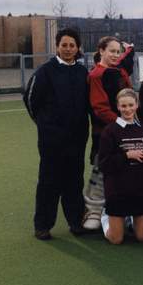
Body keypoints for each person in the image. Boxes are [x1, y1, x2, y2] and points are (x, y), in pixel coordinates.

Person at [23, 28, 90, 240]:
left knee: (74, 181)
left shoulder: (82, 72)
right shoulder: (45, 71)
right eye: (64, 45)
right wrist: (45, 125)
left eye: (72, 45)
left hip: (77, 139)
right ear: (57, 46)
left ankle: (76, 221)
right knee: (49, 182)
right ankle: (43, 225)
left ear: (78, 47)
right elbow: (31, 100)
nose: (68, 49)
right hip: (52, 141)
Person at [83, 36, 134, 230]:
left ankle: (126, 209)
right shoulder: (96, 75)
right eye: (111, 51)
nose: (115, 54)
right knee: (101, 168)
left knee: (126, 167)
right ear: (101, 51)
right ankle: (94, 210)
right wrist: (121, 122)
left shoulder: (120, 71)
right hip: (104, 132)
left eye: (118, 51)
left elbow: (129, 96)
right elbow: (99, 107)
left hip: (126, 130)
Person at [99, 88, 143, 244]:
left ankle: (129, 219)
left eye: (131, 105)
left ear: (137, 105)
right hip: (118, 190)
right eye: (123, 106)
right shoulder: (109, 131)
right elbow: (104, 164)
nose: (128, 109)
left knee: (141, 238)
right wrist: (127, 155)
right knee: (116, 240)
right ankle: (105, 217)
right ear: (117, 107)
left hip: (139, 188)